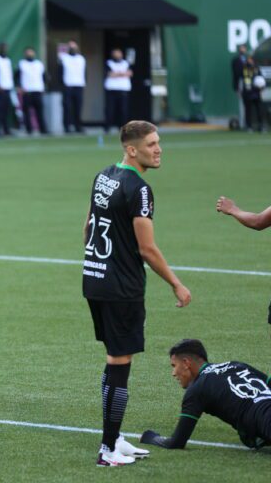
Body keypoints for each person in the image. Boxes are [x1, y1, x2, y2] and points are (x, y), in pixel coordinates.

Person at [83, 120, 192, 466]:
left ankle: (114, 438)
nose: (158, 149)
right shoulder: (139, 189)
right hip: (121, 287)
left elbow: (88, 226)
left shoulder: (103, 175)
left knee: (114, 358)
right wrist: (176, 282)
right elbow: (147, 249)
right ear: (132, 149)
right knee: (120, 363)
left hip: (95, 279)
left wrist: (97, 264)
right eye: (151, 144)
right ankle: (108, 450)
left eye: (158, 142)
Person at [140, 339, 271, 450]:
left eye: (174, 365)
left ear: (186, 363)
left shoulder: (197, 388)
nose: (173, 373)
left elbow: (176, 442)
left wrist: (151, 437)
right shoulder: (236, 365)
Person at [16, 47, 48, 135]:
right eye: (28, 53)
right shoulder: (21, 64)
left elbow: (44, 76)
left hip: (37, 90)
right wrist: (19, 87)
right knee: (26, 112)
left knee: (40, 111)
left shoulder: (39, 64)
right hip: (27, 91)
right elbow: (17, 76)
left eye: (31, 52)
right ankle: (29, 130)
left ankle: (43, 129)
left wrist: (44, 87)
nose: (30, 54)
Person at [59, 40, 86, 134]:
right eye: (70, 47)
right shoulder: (64, 58)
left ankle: (78, 126)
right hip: (68, 86)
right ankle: (66, 127)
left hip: (79, 85)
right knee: (67, 107)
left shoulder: (81, 59)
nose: (72, 49)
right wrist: (62, 84)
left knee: (78, 107)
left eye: (74, 47)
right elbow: (59, 72)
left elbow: (85, 72)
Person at [104, 49, 133, 133]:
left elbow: (130, 73)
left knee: (123, 110)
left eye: (118, 54)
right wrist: (122, 74)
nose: (117, 56)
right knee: (110, 109)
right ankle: (107, 127)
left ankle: (123, 128)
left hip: (123, 89)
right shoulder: (108, 63)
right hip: (111, 89)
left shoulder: (126, 63)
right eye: (115, 54)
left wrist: (117, 73)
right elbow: (110, 74)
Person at [0, 42, 15, 137]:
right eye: (3, 47)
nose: (5, 49)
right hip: (0, 88)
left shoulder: (8, 60)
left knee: (6, 110)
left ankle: (6, 130)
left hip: (8, 87)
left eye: (6, 47)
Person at [239, 56, 265, 132]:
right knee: (248, 110)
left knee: (259, 109)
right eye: (249, 59)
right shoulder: (244, 68)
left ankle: (261, 126)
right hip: (247, 92)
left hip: (256, 92)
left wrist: (262, 86)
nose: (250, 61)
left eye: (251, 59)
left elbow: (261, 79)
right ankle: (249, 126)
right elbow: (240, 79)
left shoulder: (257, 68)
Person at [231, 45, 248, 128]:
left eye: (244, 48)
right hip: (240, 83)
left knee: (248, 104)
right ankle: (242, 124)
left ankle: (248, 123)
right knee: (241, 104)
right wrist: (236, 87)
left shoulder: (248, 59)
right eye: (241, 48)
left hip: (248, 84)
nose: (242, 50)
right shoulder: (235, 60)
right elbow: (235, 74)